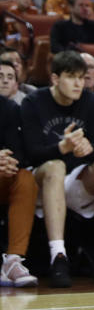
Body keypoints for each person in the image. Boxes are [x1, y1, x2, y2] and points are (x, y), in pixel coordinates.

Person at [19, 51, 94, 287]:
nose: (79, 83)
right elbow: (32, 153)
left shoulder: (93, 101)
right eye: (71, 77)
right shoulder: (33, 102)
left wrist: (88, 149)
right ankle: (59, 256)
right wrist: (63, 147)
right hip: (43, 180)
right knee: (56, 167)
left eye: (81, 77)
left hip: (78, 181)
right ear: (55, 79)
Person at [0, 94, 39, 287]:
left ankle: (13, 261)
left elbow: (19, 154)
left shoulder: (8, 108)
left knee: (24, 177)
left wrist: (6, 161)